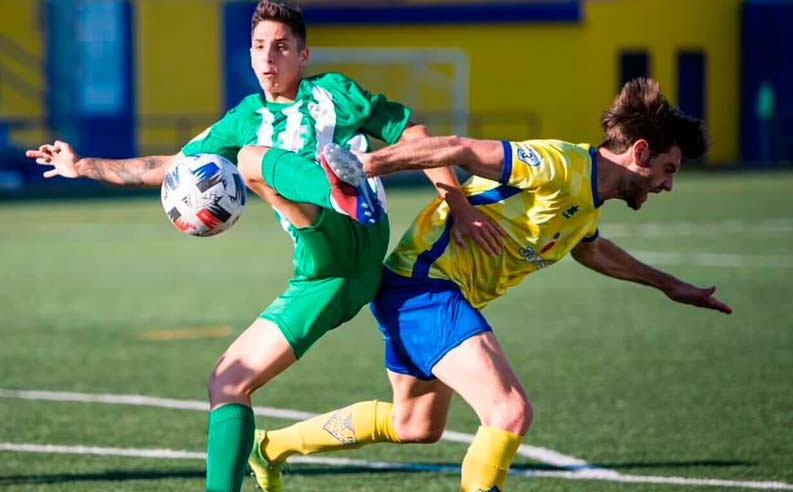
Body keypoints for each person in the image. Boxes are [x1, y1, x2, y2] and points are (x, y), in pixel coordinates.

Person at [24, 0, 503, 492]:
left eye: (280, 48)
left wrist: (458, 205)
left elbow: (415, 135)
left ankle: (342, 192)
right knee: (228, 383)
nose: (268, 59)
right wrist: (83, 166)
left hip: (357, 236)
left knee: (252, 159)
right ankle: (253, 458)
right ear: (250, 56)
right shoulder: (244, 117)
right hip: (325, 273)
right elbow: (172, 165)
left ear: (303, 55)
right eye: (259, 48)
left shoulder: (333, 93)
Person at [246, 77, 733, 492]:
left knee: (414, 424)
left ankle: (270, 446)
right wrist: (365, 167)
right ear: (640, 152)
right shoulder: (561, 166)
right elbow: (459, 148)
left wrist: (669, 284)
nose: (668, 185)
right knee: (509, 411)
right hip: (425, 285)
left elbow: (589, 246)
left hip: (424, 292)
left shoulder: (588, 200)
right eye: (668, 170)